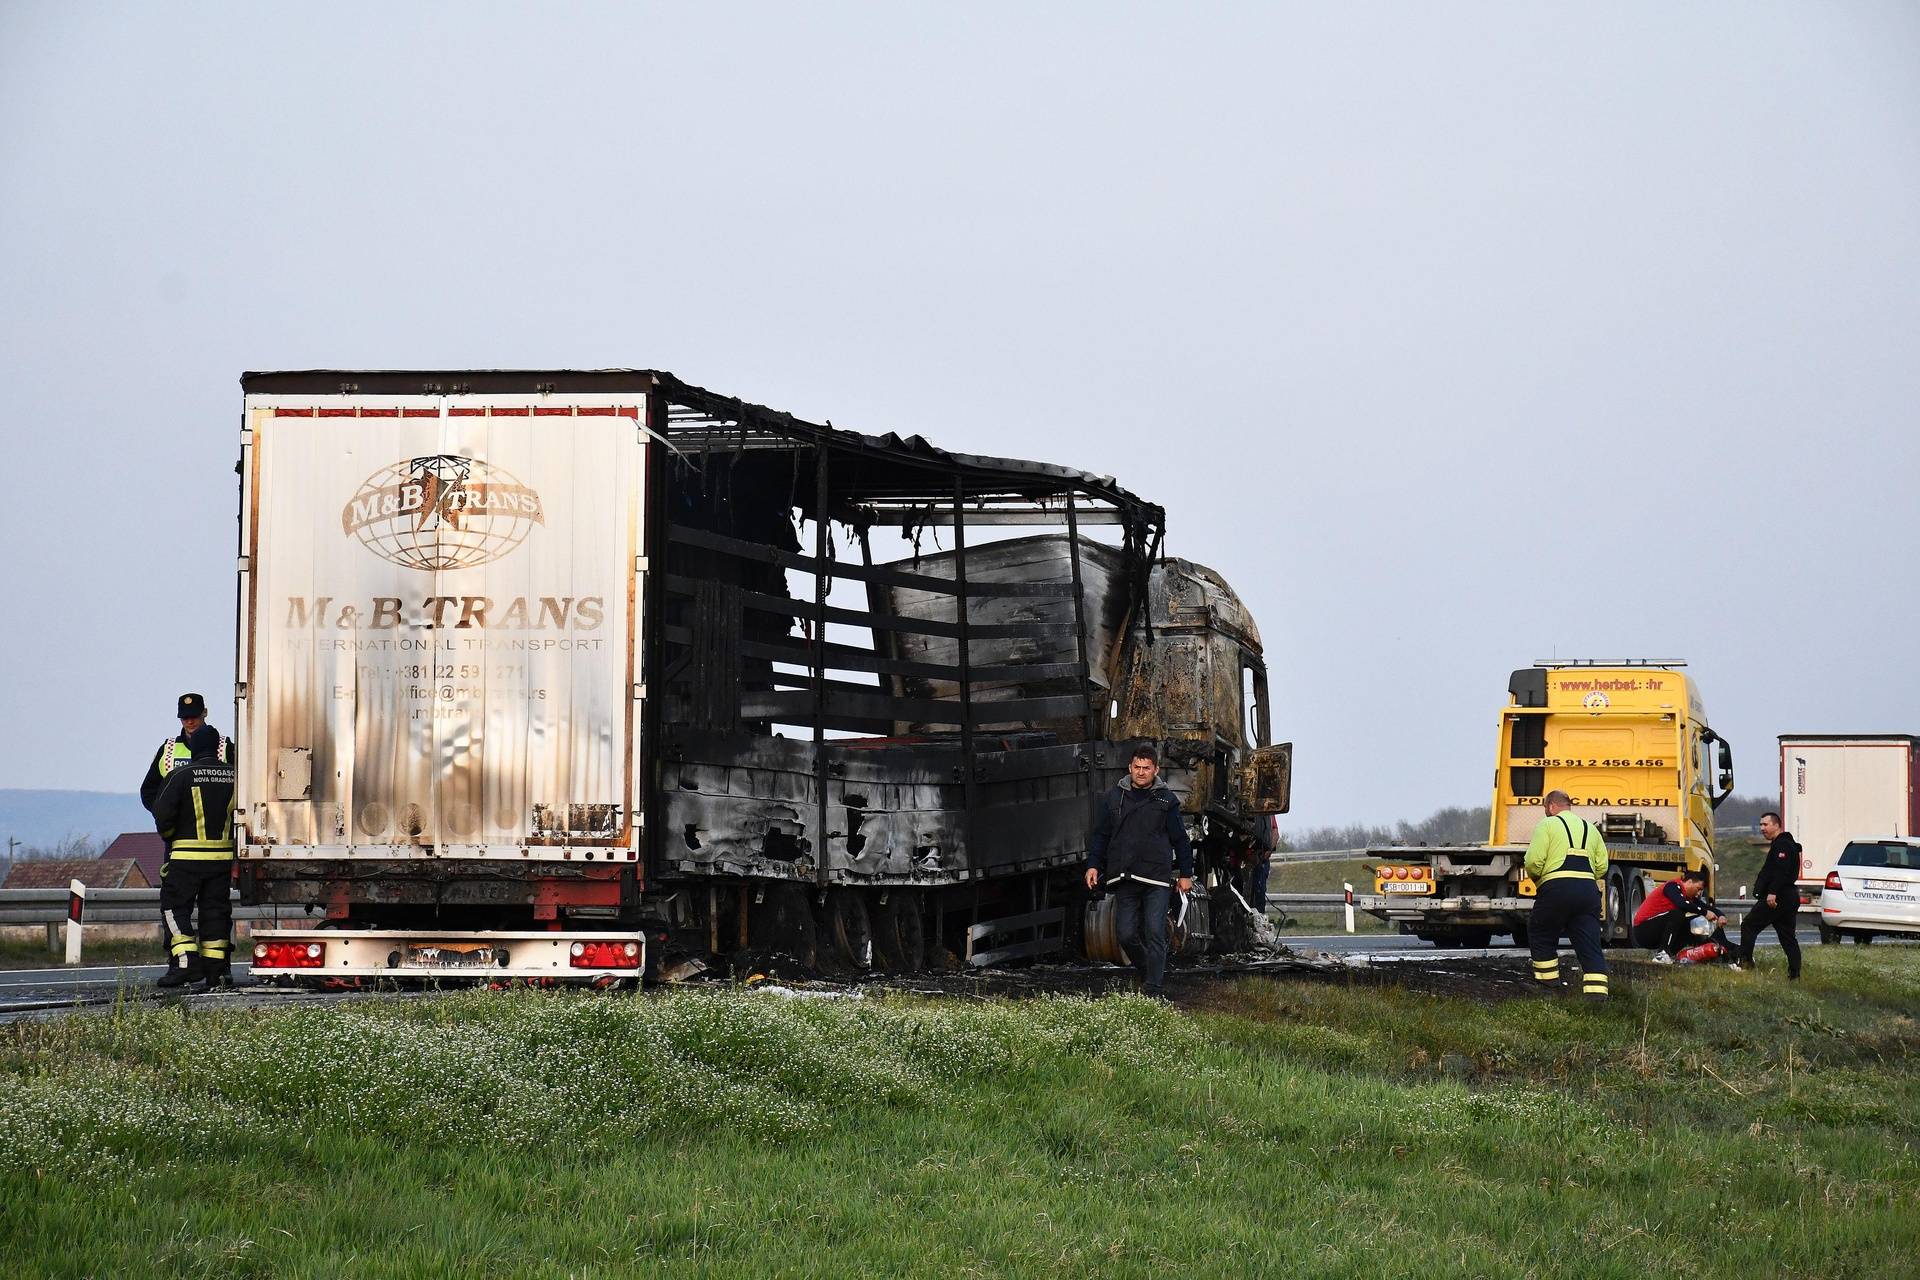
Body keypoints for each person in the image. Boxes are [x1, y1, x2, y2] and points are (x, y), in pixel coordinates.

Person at [1086, 743, 1194, 998]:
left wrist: (1186, 874)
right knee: (1125, 934)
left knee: (1155, 931)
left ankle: (1153, 989)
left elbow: (1180, 839)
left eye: (1147, 768)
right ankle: (1149, 970)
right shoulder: (1113, 798)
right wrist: (1092, 865)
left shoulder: (1166, 801)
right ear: (1130, 768)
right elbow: (1100, 836)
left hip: (1156, 878)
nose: (1141, 772)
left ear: (1156, 770)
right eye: (1137, 767)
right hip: (1124, 876)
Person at [151, 725, 238, 990]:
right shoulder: (236, 777)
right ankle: (217, 972)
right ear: (216, 748)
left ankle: (187, 964)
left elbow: (162, 814)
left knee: (175, 909)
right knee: (215, 913)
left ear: (194, 749)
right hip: (221, 859)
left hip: (186, 858)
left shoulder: (180, 775)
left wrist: (171, 837)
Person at [1523, 790, 1611, 1001]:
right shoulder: (1590, 828)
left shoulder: (1547, 825)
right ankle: (1597, 998)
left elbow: (1533, 861)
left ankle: (1548, 987)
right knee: (1589, 943)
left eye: (1545, 808)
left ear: (1551, 806)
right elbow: (1602, 866)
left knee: (1542, 932)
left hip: (1556, 890)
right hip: (1587, 892)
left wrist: (1540, 879)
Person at [140, 692, 232, 814]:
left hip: (217, 826)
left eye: (194, 716)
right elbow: (149, 790)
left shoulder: (224, 747)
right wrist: (163, 815)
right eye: (185, 718)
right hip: (179, 829)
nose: (189, 722)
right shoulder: (168, 750)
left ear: (205, 713)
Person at [1739, 811, 1803, 980]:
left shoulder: (1782, 845)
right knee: (1788, 937)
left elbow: (1780, 872)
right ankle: (1794, 975)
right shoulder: (1786, 844)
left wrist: (1772, 893)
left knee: (1748, 925)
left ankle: (1745, 964)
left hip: (1778, 896)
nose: (1762, 828)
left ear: (1776, 825)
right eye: (1760, 825)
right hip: (1789, 896)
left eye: (1765, 825)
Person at [1631, 867, 1737, 966]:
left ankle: (1676, 954)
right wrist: (1704, 913)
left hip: (1655, 929)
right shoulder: (1672, 886)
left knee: (1692, 923)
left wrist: (1720, 916)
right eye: (1698, 889)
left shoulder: (1688, 897)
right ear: (1689, 882)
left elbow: (1705, 907)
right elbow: (1682, 904)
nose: (1699, 893)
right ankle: (1662, 954)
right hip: (1643, 930)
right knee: (1679, 912)